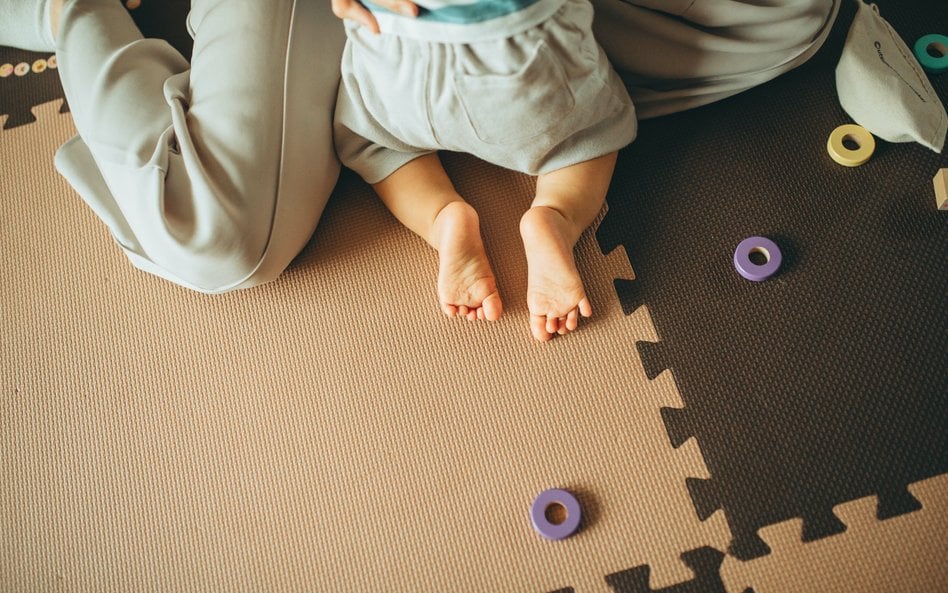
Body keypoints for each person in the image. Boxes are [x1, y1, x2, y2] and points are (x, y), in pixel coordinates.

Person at [0, 0, 841, 295]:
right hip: (383, 31)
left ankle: (478, 177)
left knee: (794, 18)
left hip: (429, 59)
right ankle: (67, 9)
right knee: (212, 233)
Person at [332, 0, 637, 342]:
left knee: (375, 143)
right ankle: (557, 214)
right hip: (513, 63)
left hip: (396, 66)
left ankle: (441, 217)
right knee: (591, 134)